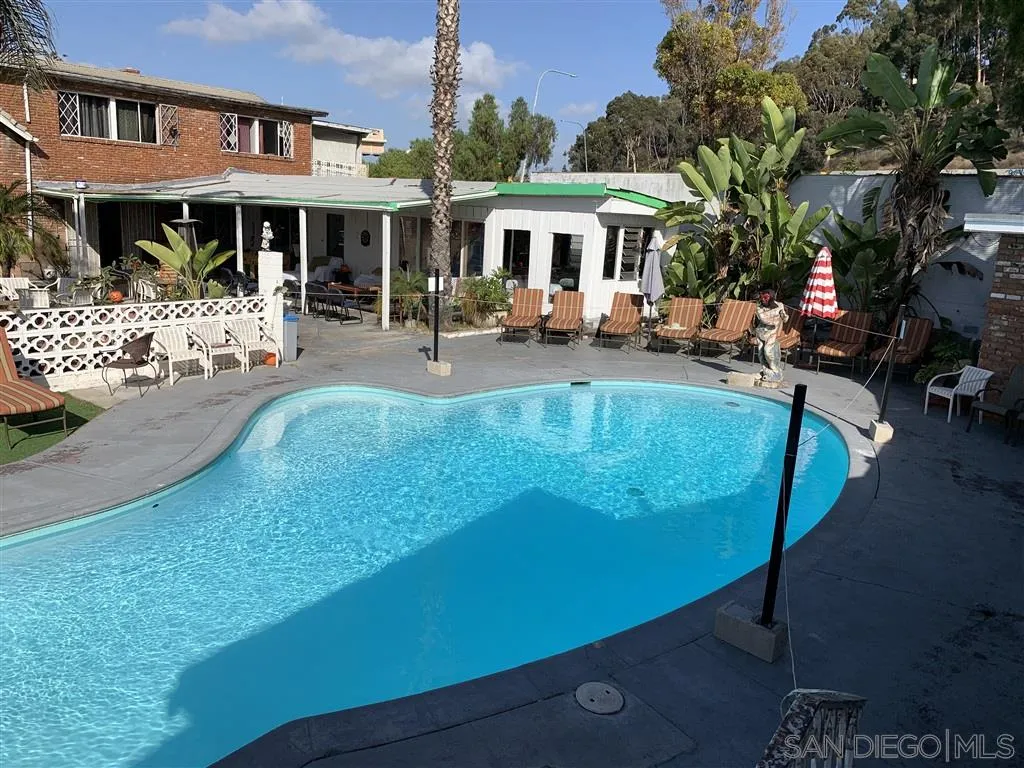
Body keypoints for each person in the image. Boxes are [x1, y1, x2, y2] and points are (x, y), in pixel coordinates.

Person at [752, 288, 788, 383]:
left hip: (771, 334)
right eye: (762, 297)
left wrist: (783, 315)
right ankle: (765, 371)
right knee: (761, 354)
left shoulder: (780, 305)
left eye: (766, 297)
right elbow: (764, 320)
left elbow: (785, 319)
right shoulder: (759, 308)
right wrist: (776, 320)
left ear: (771, 297)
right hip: (761, 333)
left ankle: (775, 372)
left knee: (768, 352)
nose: (763, 299)